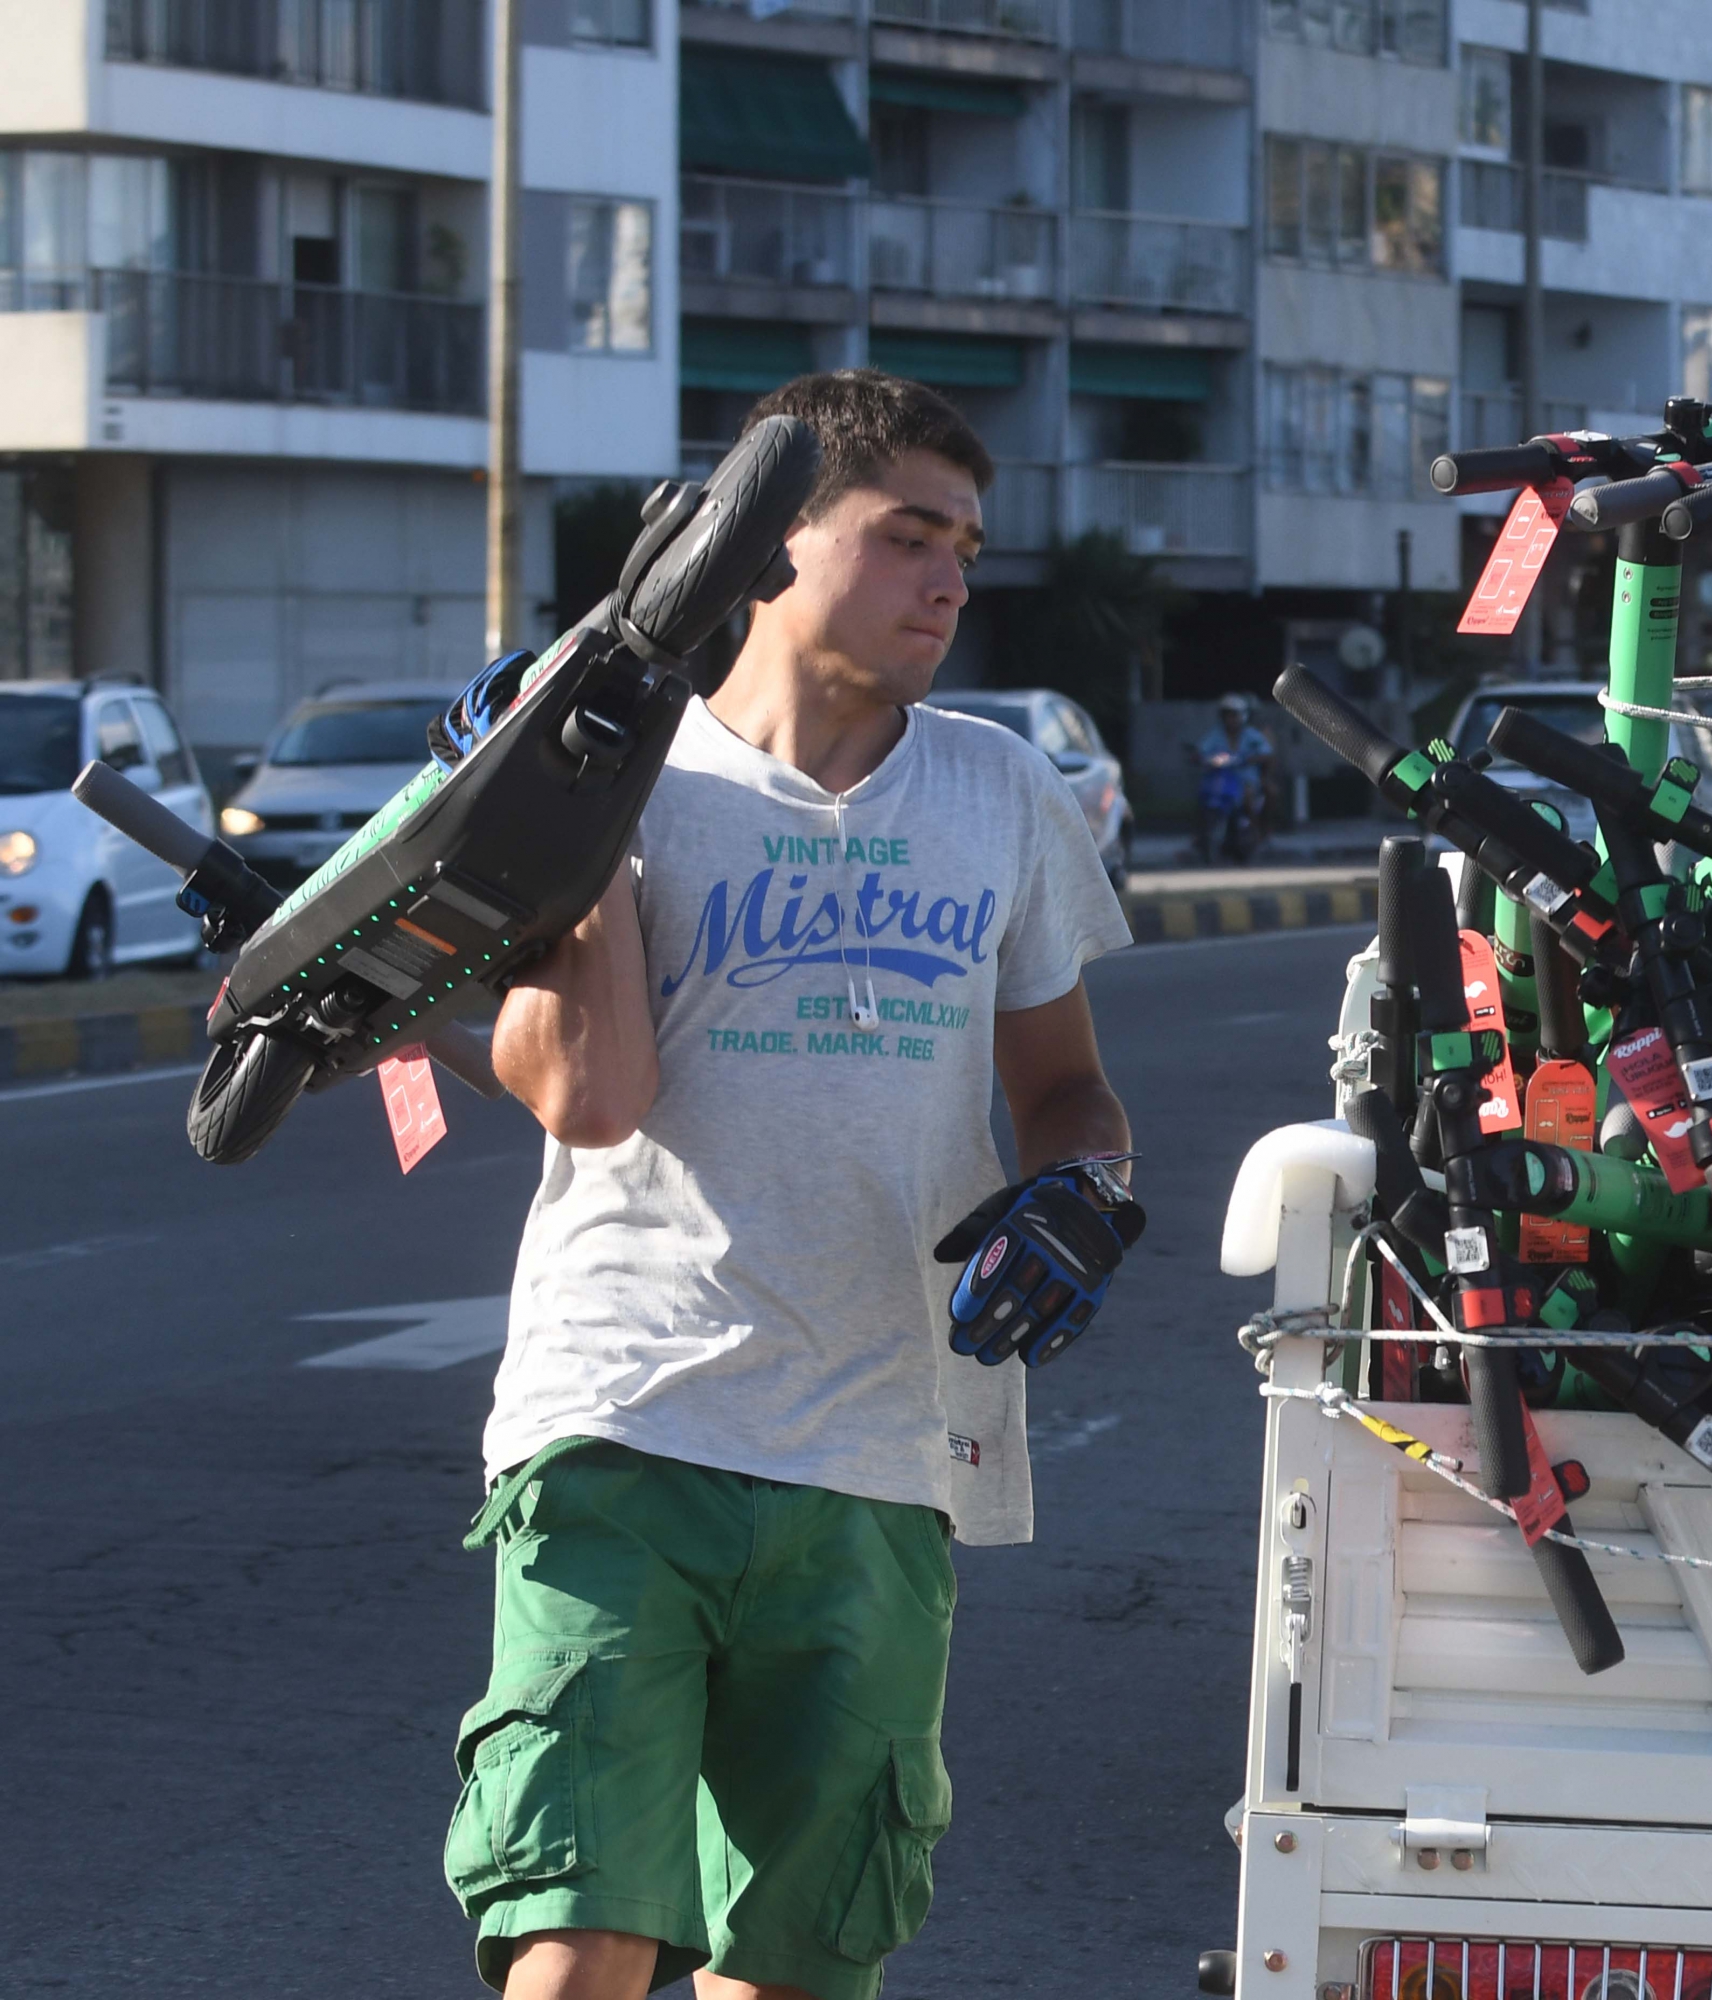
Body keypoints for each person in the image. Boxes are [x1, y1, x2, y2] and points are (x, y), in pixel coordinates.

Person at [454, 370, 1137, 2000]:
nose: (953, 579)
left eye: (965, 542)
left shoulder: (1002, 799)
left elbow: (1066, 1092)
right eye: (908, 536)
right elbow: (584, 1094)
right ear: (762, 547)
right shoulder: (627, 780)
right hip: (625, 1419)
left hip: (885, 1445)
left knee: (798, 1968)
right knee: (583, 1932)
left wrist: (1087, 1196)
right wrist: (575, 830)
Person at [1187, 692, 1273, 859]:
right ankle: (1199, 836)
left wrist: (1248, 759)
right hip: (1221, 778)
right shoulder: (1216, 734)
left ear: (1242, 716)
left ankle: (1254, 833)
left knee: (1248, 798)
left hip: (1244, 778)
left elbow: (1266, 753)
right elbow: (1202, 750)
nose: (1231, 719)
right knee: (1202, 798)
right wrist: (1198, 757)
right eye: (1228, 715)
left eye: (1234, 715)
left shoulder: (1251, 735)